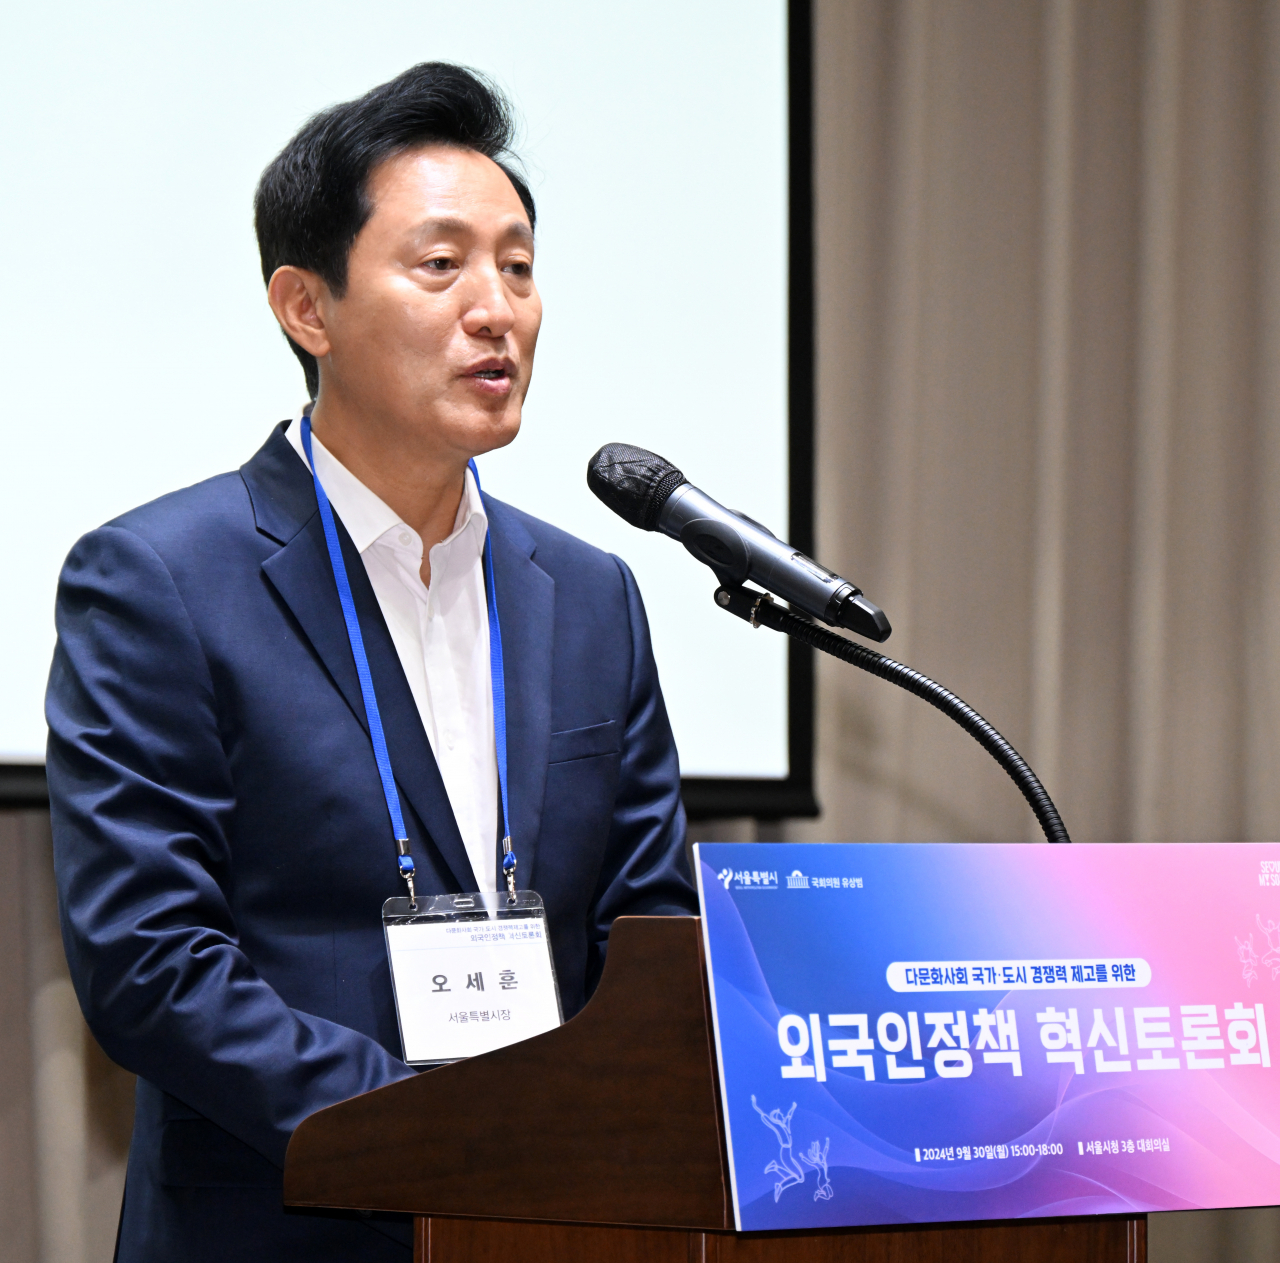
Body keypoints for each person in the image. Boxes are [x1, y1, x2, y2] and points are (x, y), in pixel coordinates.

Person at [45, 62, 696, 1262]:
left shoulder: (592, 595)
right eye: (440, 265)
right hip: (280, 1227)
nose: (495, 308)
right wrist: (438, 1130)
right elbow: (152, 964)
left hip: (562, 1225)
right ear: (308, 307)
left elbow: (648, 920)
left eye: (516, 264)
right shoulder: (159, 579)